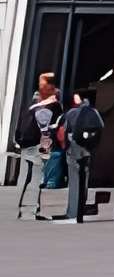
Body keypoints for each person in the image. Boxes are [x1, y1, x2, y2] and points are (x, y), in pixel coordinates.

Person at [14, 71, 63, 219]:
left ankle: (18, 208)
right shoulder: (52, 107)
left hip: (25, 144)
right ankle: (32, 211)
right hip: (38, 145)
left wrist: (19, 142)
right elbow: (48, 130)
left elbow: (19, 127)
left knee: (24, 177)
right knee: (37, 178)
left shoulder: (31, 108)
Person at [55, 89, 105, 223]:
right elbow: (101, 127)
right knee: (84, 178)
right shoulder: (94, 112)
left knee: (74, 179)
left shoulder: (71, 113)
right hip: (87, 149)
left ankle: (72, 212)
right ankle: (81, 209)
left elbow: (62, 131)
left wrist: (64, 146)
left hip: (74, 147)